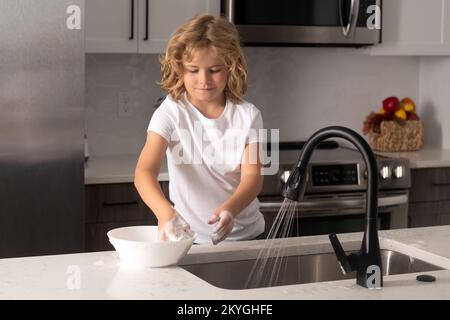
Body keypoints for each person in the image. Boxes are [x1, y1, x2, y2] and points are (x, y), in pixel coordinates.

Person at [134, 14, 265, 245]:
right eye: (193, 70)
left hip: (248, 237)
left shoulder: (249, 116)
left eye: (214, 70)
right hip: (190, 240)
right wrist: (165, 214)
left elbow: (253, 177)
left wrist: (230, 209)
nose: (204, 80)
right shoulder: (170, 112)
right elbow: (144, 172)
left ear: (231, 67)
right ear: (179, 68)